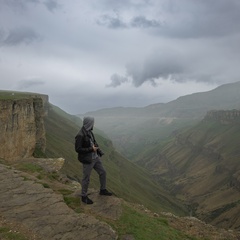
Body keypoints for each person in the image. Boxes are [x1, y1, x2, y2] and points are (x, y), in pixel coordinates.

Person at [75, 116, 112, 204]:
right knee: (86, 178)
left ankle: (103, 190)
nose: (93, 124)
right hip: (88, 159)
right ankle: (84, 196)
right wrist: (91, 149)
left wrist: (99, 151)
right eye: (92, 122)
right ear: (89, 123)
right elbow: (78, 149)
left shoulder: (90, 132)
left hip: (95, 158)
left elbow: (94, 143)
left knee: (103, 172)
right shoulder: (80, 135)